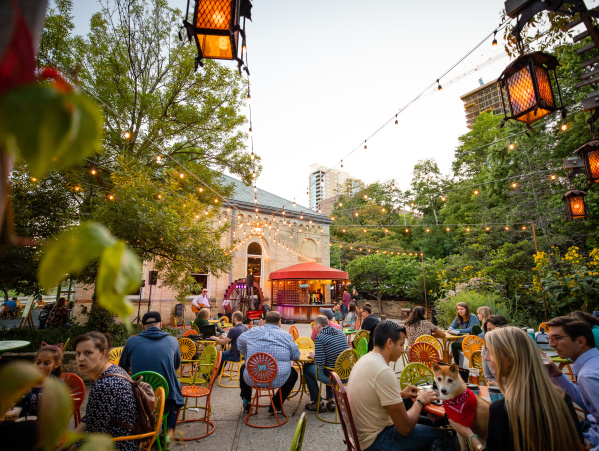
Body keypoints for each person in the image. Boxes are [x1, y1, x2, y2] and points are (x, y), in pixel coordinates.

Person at [450, 326, 582, 451]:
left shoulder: (502, 410)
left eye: (490, 352)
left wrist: (470, 436)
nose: (486, 357)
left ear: (509, 359)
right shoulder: (561, 398)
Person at [347, 321, 443, 450]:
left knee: (427, 422)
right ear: (389, 343)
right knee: (444, 437)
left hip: (361, 436)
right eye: (401, 344)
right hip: (376, 441)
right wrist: (420, 400)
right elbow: (405, 428)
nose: (403, 350)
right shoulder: (383, 371)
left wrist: (400, 394)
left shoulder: (365, 359)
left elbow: (373, 396)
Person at [118, 312, 183, 439]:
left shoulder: (131, 341)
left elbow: (122, 368)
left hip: (139, 400)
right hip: (165, 400)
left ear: (142, 327)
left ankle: (144, 428)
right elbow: (176, 366)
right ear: (161, 325)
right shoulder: (173, 341)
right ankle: (168, 431)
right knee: (177, 385)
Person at [72, 332, 138, 451]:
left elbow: (92, 436)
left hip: (118, 445)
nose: (80, 358)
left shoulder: (104, 385)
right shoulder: (113, 369)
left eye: (88, 353)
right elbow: (90, 419)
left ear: (103, 353)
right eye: (78, 353)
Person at [546, 316, 599, 450]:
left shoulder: (588, 376)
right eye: (550, 339)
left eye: (557, 338)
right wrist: (558, 376)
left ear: (581, 341)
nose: (551, 344)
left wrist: (591, 447)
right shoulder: (592, 364)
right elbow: (587, 403)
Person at [237, 311, 300, 414]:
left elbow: (239, 341)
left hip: (253, 378)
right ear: (279, 322)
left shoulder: (253, 332)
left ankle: (247, 401)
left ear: (265, 320)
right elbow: (296, 356)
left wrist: (247, 355)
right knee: (293, 374)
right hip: (277, 378)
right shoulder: (286, 336)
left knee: (245, 367)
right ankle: (276, 404)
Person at [304, 315, 349, 412]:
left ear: (318, 326)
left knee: (307, 368)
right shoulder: (340, 333)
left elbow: (320, 363)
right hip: (346, 375)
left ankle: (317, 403)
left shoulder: (320, 337)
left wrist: (314, 356)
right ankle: (331, 400)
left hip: (333, 378)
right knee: (331, 364)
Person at [17, 344, 63, 418]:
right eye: (38, 362)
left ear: (57, 364)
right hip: (23, 427)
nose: (40, 366)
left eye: (46, 363)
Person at [481, 315, 509, 386]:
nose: (486, 358)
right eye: (489, 330)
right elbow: (488, 376)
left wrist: (498, 385)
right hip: (496, 391)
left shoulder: (512, 350)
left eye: (495, 330)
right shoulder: (485, 349)